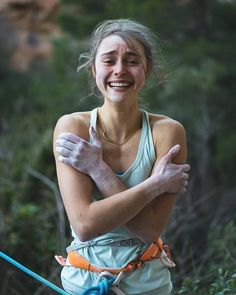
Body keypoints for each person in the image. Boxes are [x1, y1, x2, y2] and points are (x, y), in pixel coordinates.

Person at [53, 19, 190, 295]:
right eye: (109, 60)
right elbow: (85, 225)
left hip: (148, 283)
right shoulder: (73, 127)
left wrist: (96, 168)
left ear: (147, 69)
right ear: (94, 69)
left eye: (131, 61)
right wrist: (154, 185)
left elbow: (149, 230)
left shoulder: (168, 132)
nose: (119, 70)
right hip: (85, 282)